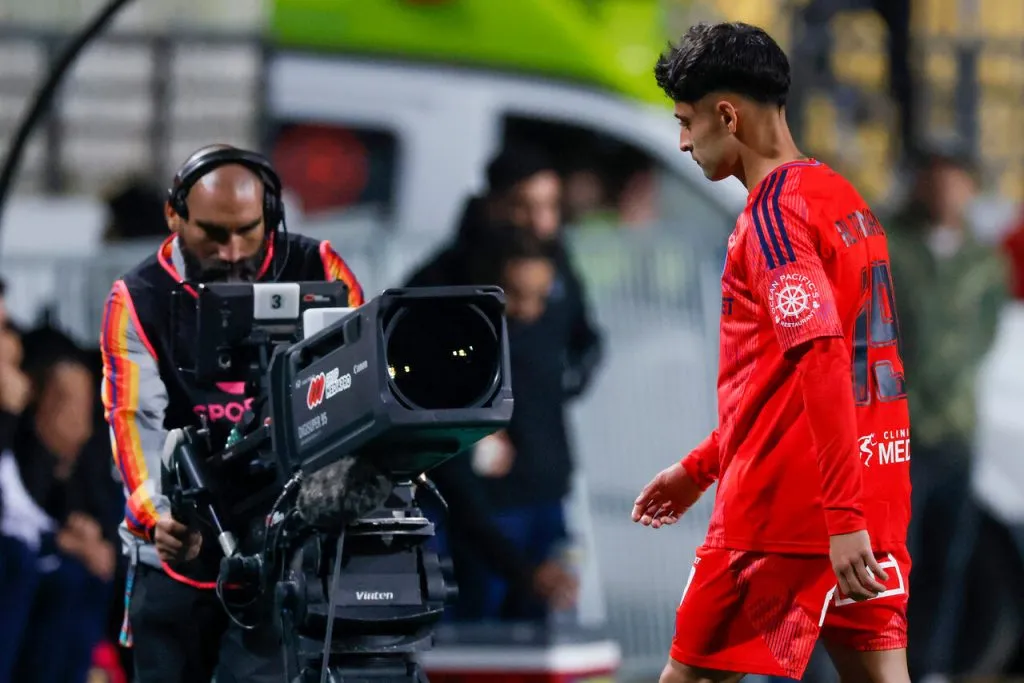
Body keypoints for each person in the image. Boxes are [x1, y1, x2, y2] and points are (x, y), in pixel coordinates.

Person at [630, 22, 912, 683]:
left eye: (687, 121)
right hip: (875, 503)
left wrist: (837, 521)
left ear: (726, 115)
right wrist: (700, 467)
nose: (681, 141)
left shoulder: (774, 219)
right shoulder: (843, 199)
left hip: (783, 522)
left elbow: (818, 359)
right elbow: (783, 382)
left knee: (691, 678)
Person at [99, 144, 364, 683]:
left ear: (270, 213)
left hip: (286, 554)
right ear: (174, 215)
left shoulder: (320, 267)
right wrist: (156, 516)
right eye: (213, 234)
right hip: (177, 553)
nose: (233, 250)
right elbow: (132, 421)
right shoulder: (137, 297)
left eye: (249, 229)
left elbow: (356, 387)